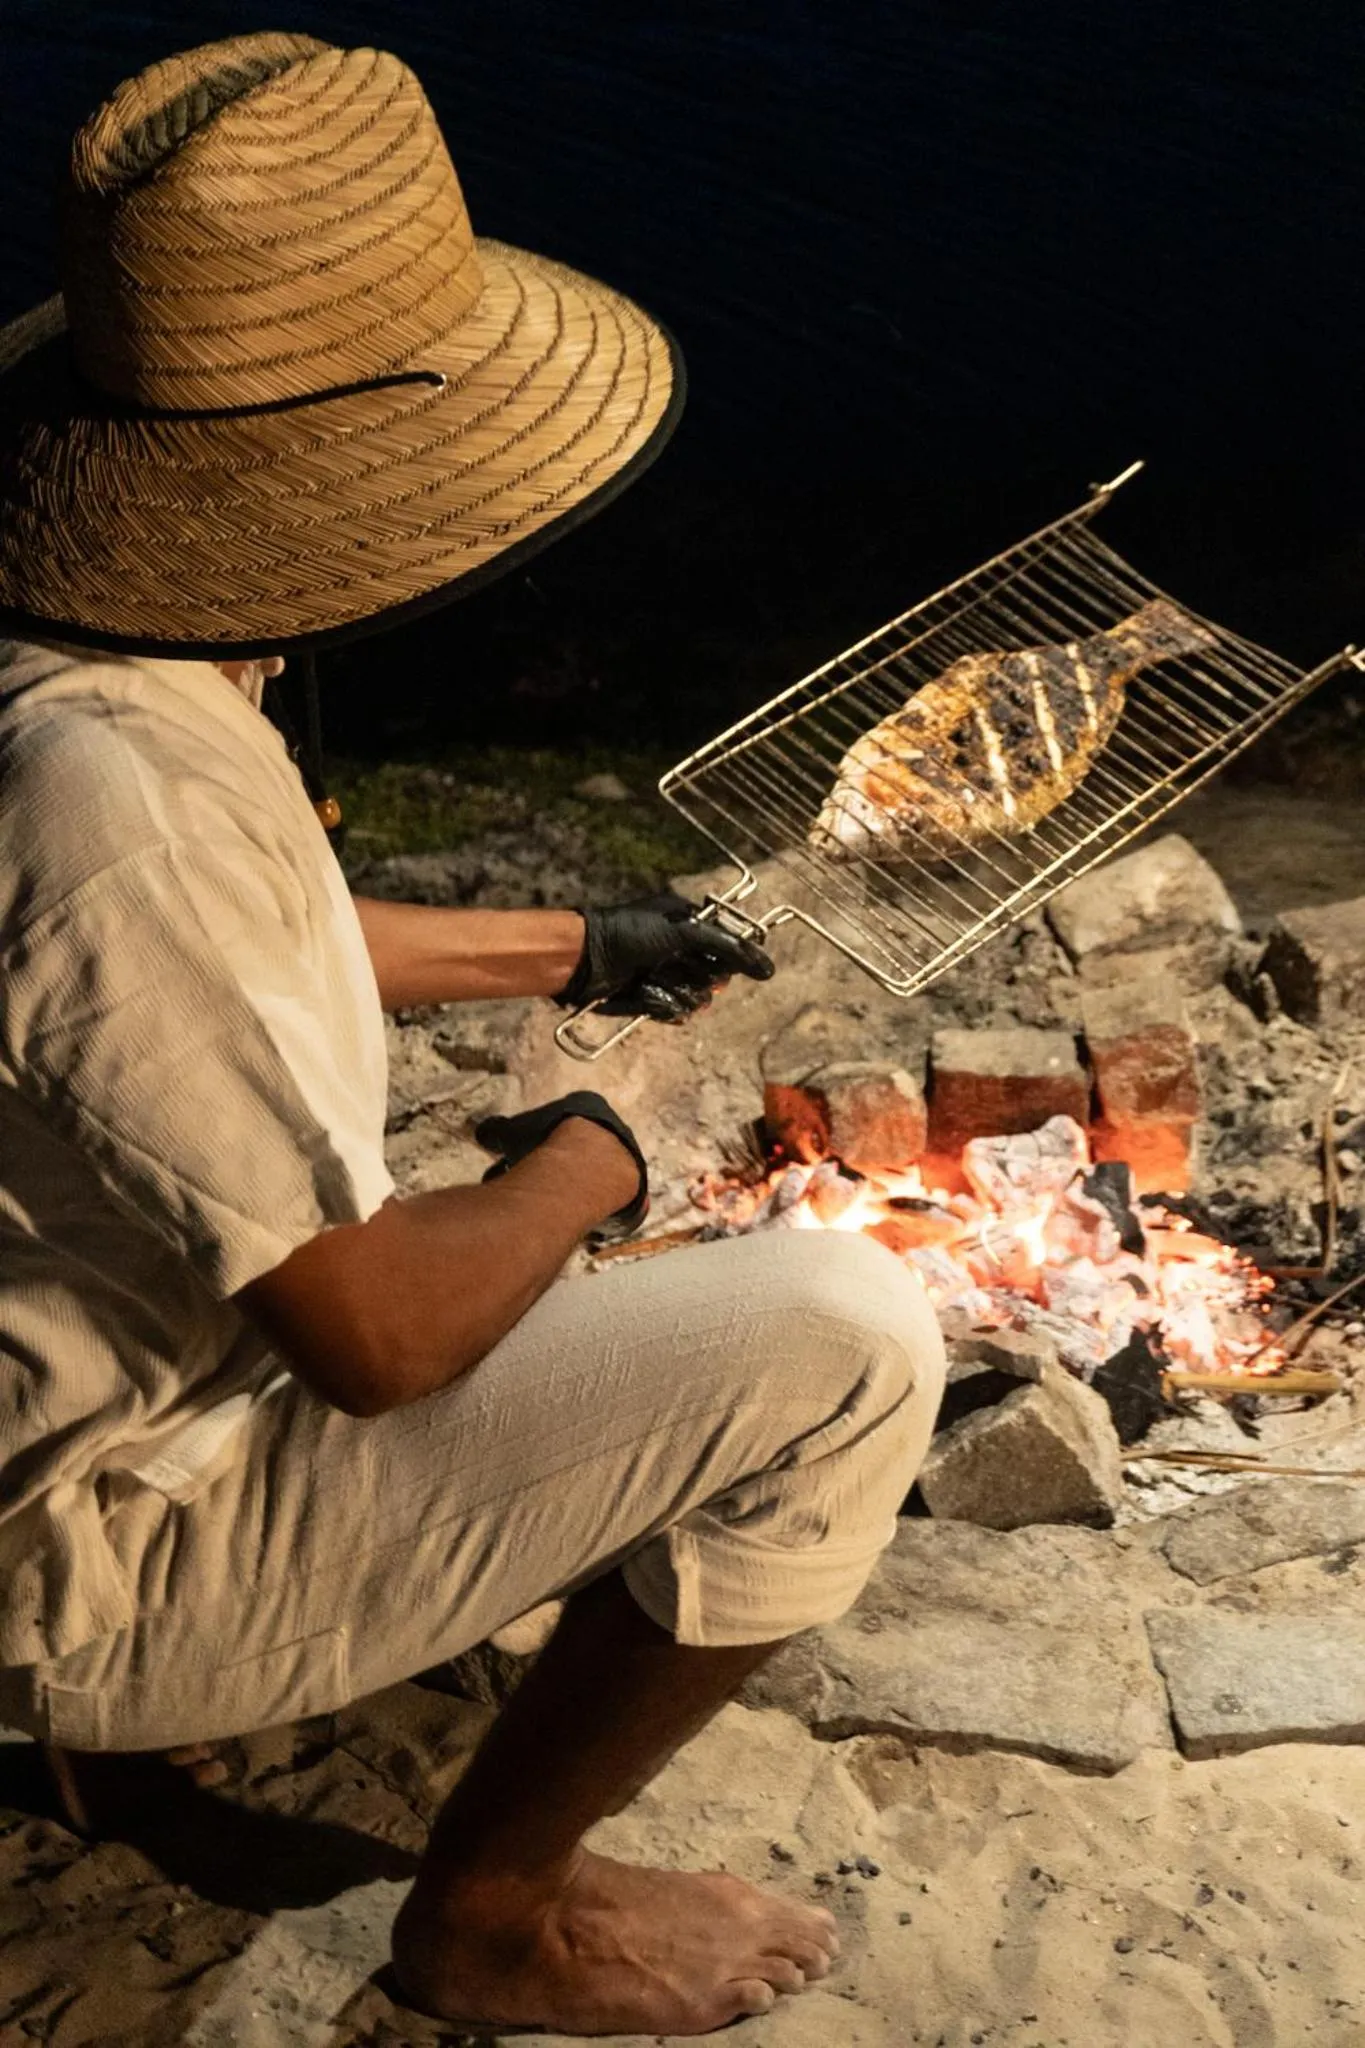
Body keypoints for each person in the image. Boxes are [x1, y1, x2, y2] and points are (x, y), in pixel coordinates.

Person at [0, 33, 946, 2037]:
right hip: (81, 1542)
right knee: (850, 1339)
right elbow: (381, 1337)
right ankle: (492, 1914)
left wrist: (572, 944)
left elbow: (193, 969)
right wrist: (598, 1149)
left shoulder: (66, 678)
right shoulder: (116, 792)